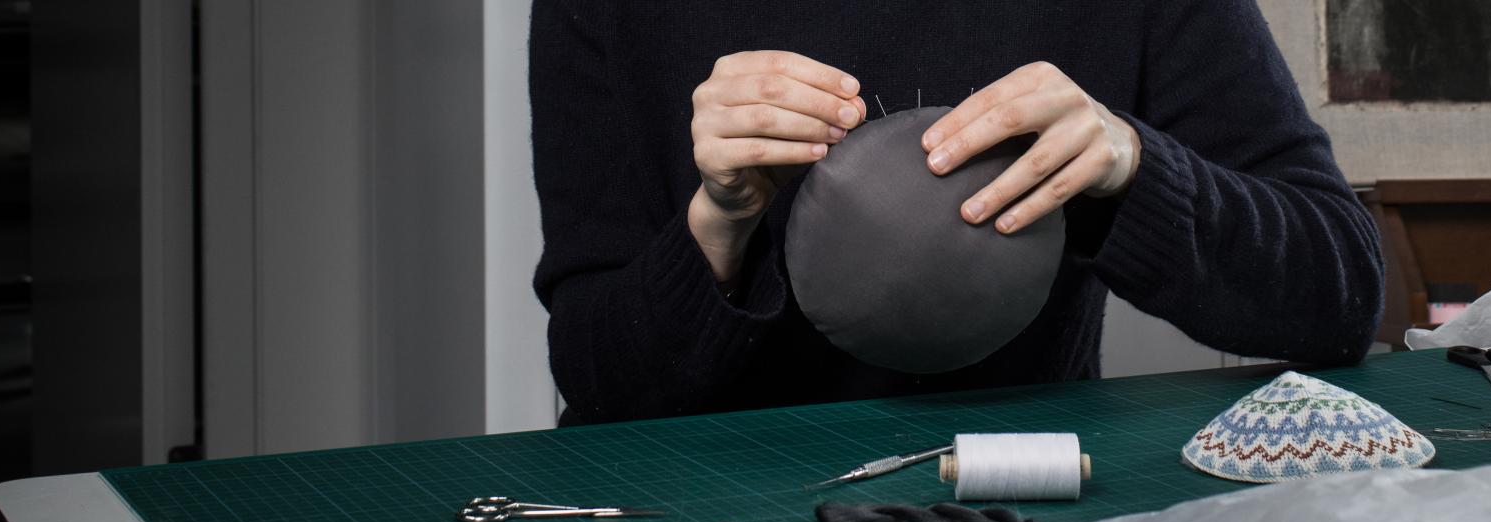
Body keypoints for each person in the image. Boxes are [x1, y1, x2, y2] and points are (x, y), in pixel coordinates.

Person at [530, 1, 1384, 426]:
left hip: (1013, 490)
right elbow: (597, 377)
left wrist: (1132, 167)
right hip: (698, 494)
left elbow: (1338, 291)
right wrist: (718, 226)